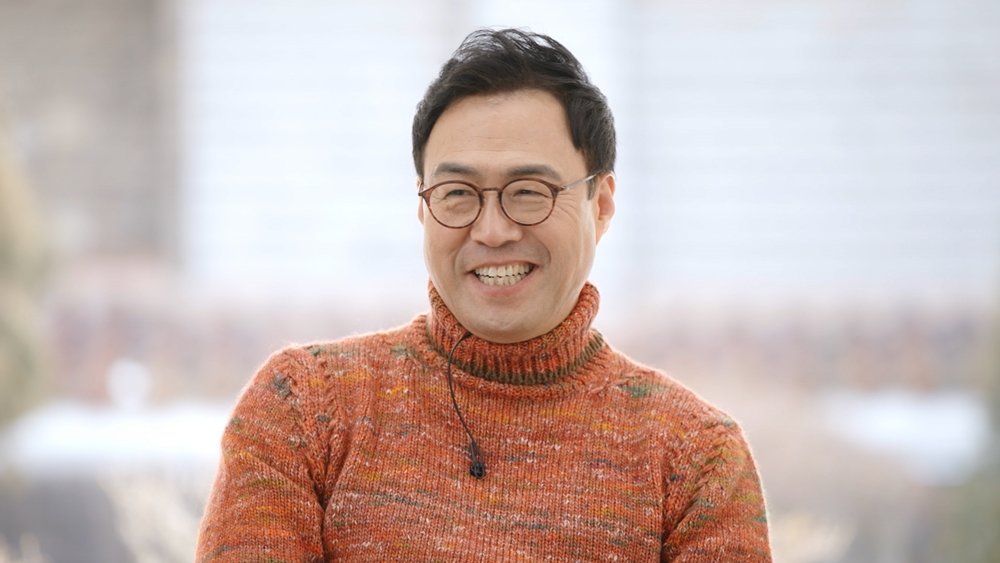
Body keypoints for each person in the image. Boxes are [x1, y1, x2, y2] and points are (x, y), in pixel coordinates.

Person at [196, 28, 772, 561]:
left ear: (600, 205)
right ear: (423, 208)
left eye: (529, 192)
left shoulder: (696, 458)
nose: (492, 231)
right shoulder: (304, 407)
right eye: (457, 193)